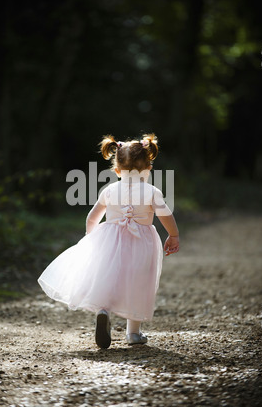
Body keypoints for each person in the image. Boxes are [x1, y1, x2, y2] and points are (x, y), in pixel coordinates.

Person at [38, 133, 179, 349]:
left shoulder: (109, 190)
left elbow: (92, 217)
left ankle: (103, 310)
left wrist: (91, 239)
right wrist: (174, 235)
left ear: (116, 170)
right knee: (138, 283)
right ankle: (133, 333)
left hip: (110, 242)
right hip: (141, 245)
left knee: (110, 277)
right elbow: (165, 216)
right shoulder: (152, 192)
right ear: (148, 169)